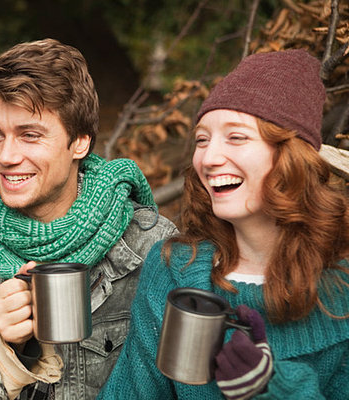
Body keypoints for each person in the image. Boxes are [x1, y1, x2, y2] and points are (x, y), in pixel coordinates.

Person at [0, 38, 177, 399]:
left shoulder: (147, 244)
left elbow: (180, 384)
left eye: (30, 135)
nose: (6, 156)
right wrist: (1, 346)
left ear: (80, 142)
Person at [98, 49, 349, 399]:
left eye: (236, 137)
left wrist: (271, 387)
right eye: (202, 139)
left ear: (291, 157)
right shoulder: (173, 268)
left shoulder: (342, 290)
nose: (210, 158)